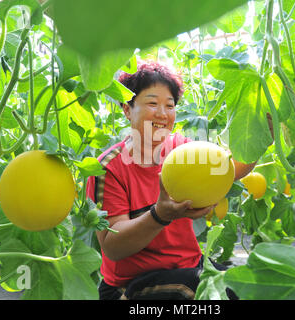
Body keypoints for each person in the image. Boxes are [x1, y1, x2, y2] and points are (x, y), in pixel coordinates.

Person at [86, 60, 271, 300]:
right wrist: (159, 216)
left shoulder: (181, 148)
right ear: (127, 109)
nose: (162, 113)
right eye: (152, 103)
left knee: (252, 285)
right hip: (128, 288)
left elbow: (229, 169)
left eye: (169, 105)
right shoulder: (108, 167)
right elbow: (112, 246)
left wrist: (263, 134)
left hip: (188, 269)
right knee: (204, 293)